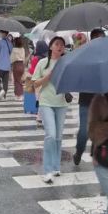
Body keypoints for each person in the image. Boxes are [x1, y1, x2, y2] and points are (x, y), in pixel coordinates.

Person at [32, 36, 68, 184]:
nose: (60, 47)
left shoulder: (66, 63)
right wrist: (48, 76)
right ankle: (47, 171)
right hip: (46, 102)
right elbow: (35, 83)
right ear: (51, 47)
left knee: (58, 136)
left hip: (62, 102)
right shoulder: (42, 63)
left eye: (62, 45)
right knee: (51, 135)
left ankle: (55, 166)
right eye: (57, 44)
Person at [73, 28, 105, 166]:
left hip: (103, 99)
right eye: (97, 38)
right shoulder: (84, 55)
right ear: (92, 39)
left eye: (102, 38)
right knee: (84, 132)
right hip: (86, 99)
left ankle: (96, 152)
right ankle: (79, 152)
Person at [0, 30, 13, 101]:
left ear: (4, 33)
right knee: (5, 81)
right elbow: (10, 53)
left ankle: (0, 90)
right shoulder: (10, 43)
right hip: (7, 65)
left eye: (0, 33)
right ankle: (4, 95)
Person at [10, 37, 26, 101]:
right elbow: (24, 58)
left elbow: (11, 59)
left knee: (16, 81)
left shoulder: (14, 49)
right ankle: (20, 94)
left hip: (16, 65)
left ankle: (18, 95)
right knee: (20, 80)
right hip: (22, 64)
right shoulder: (23, 49)